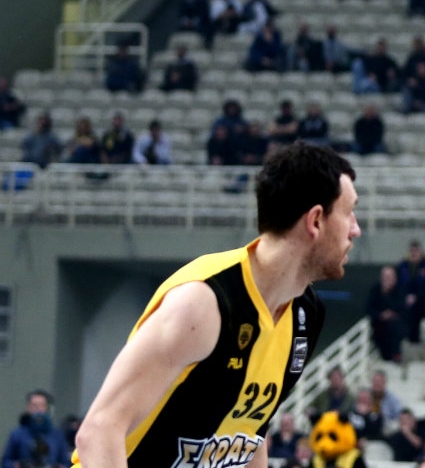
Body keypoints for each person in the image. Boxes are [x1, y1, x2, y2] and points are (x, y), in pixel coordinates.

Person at [73, 143, 360, 468]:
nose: (356, 229)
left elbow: (247, 437)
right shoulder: (203, 302)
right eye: (349, 212)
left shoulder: (305, 314)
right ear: (316, 221)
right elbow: (99, 432)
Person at [3, 390, 72, 468]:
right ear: (28, 407)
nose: (38, 409)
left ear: (47, 408)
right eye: (34, 405)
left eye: (41, 405)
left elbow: (66, 463)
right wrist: (19, 465)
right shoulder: (17, 434)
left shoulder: (57, 435)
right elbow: (6, 462)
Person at [366, 265, 406, 363]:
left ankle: (396, 355)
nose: (387, 279)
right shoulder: (375, 290)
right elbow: (368, 308)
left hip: (396, 324)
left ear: (395, 278)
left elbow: (402, 307)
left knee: (395, 326)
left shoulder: (400, 290)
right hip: (379, 325)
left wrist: (391, 313)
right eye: (385, 277)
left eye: (390, 277)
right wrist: (381, 315)